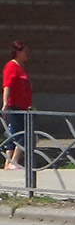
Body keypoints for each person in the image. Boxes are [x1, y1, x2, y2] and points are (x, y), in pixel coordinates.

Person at [2, 40, 32, 169]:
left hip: (24, 106)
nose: (27, 54)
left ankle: (9, 163)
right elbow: (7, 86)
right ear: (18, 52)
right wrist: (5, 104)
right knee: (21, 133)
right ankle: (13, 161)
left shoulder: (21, 66)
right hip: (15, 106)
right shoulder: (11, 66)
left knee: (15, 133)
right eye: (25, 51)